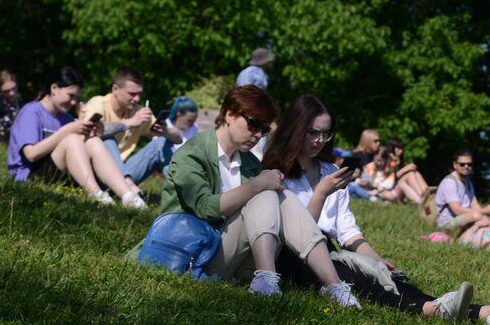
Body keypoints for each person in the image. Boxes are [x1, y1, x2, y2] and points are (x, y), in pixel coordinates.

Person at [263, 95, 490, 325]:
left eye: (326, 133)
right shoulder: (277, 174)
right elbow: (297, 234)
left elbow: (348, 232)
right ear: (296, 128)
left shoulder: (330, 172)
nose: (319, 140)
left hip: (329, 249)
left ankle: (476, 311)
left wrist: (377, 260)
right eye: (313, 132)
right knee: (359, 280)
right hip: (293, 256)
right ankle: (462, 311)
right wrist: (322, 193)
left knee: (387, 277)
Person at [152, 84, 360, 306]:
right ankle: (266, 278)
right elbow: (204, 208)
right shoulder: (193, 153)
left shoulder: (249, 162)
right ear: (229, 114)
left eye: (264, 129)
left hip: (232, 257)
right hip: (193, 255)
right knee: (264, 190)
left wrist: (261, 185)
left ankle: (333, 285)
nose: (258, 135)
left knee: (280, 194)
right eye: (253, 124)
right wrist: (256, 185)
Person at [6, 66, 140, 205]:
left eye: (76, 97)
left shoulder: (65, 117)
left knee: (93, 141)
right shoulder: (31, 112)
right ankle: (97, 194)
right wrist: (66, 131)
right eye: (70, 96)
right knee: (72, 139)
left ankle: (128, 196)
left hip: (56, 175)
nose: (74, 102)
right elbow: (31, 154)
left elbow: (80, 151)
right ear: (54, 88)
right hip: (27, 177)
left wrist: (95, 132)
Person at [77, 66, 175, 207]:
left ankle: (181, 193)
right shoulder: (98, 103)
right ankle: (128, 187)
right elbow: (93, 131)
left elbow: (177, 138)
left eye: (139, 94)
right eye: (132, 94)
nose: (137, 99)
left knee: (160, 142)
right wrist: (131, 122)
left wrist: (166, 131)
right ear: (115, 89)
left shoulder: (138, 111)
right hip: (97, 173)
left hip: (125, 172)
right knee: (107, 138)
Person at [435, 150, 490, 234]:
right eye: (462, 164)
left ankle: (480, 231)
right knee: (476, 216)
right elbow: (457, 210)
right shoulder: (449, 182)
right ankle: (477, 233)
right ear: (455, 165)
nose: (466, 166)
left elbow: (476, 207)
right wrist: (484, 211)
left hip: (469, 219)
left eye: (469, 164)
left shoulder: (468, 183)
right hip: (447, 224)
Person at [366, 138, 431, 204]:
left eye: (402, 149)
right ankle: (424, 199)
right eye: (399, 148)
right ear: (392, 148)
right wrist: (405, 169)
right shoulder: (385, 162)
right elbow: (392, 178)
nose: (401, 151)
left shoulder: (395, 161)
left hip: (392, 187)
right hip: (389, 189)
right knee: (410, 174)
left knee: (415, 173)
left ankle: (429, 195)